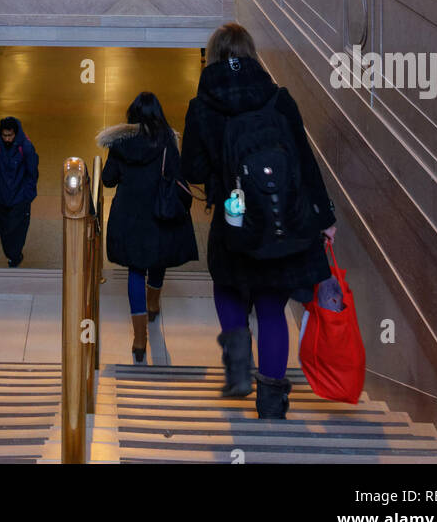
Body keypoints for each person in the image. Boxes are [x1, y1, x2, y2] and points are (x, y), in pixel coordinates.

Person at [181, 23, 336, 418]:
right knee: (271, 309)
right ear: (251, 54)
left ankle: (237, 369)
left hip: (233, 224)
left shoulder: (202, 107)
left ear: (212, 56)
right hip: (280, 223)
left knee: (229, 290)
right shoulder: (278, 98)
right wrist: (325, 217)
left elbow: (193, 169)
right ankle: (271, 403)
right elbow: (304, 160)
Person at [98, 93, 198, 363]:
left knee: (135, 270)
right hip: (159, 212)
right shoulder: (167, 140)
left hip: (129, 217)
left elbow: (107, 179)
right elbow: (177, 174)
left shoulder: (121, 143)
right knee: (158, 257)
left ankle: (139, 339)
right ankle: (153, 303)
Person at [0, 117, 39, 267]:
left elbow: (32, 173)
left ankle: (14, 257)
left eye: (10, 135)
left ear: (16, 133)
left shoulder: (26, 148)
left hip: (20, 198)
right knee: (4, 230)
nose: (7, 139)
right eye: (4, 136)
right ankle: (13, 256)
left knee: (17, 230)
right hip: (1, 197)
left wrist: (27, 195)